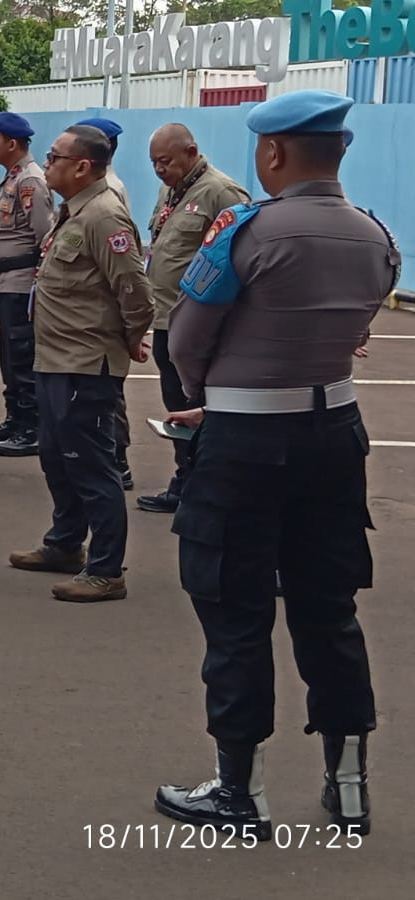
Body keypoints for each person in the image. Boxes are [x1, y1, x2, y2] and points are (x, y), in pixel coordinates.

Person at [154, 91, 397, 841]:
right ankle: (348, 785)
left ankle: (240, 792)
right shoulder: (373, 234)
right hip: (334, 434)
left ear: (273, 153)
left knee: (234, 609)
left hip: (246, 445)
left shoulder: (246, 228)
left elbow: (187, 341)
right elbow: (351, 327)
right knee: (330, 608)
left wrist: (215, 397)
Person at [9, 124, 154, 602]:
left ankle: (106, 569)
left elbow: (136, 292)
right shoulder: (74, 211)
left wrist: (127, 340)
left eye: (54, 157)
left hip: (86, 363)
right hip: (55, 357)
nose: (46, 164)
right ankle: (65, 543)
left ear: (82, 166)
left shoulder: (105, 217)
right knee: (56, 457)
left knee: (92, 467)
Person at [135, 123, 248, 514]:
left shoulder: (222, 193)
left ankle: (201, 489)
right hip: (166, 320)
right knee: (178, 407)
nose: (159, 170)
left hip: (198, 326)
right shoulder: (172, 189)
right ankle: (185, 481)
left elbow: (238, 261)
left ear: (190, 151)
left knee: (197, 408)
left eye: (164, 161)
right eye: (153, 163)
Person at [0, 112, 54, 457]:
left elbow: (43, 235)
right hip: (6, 280)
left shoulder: (31, 181)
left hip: (22, 281)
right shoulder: (14, 177)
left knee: (22, 354)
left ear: (12, 143)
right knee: (9, 354)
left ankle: (30, 426)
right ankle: (15, 417)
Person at [76, 115, 135, 488]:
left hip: (101, 314)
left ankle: (119, 460)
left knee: (107, 393)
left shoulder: (107, 194)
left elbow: (125, 273)